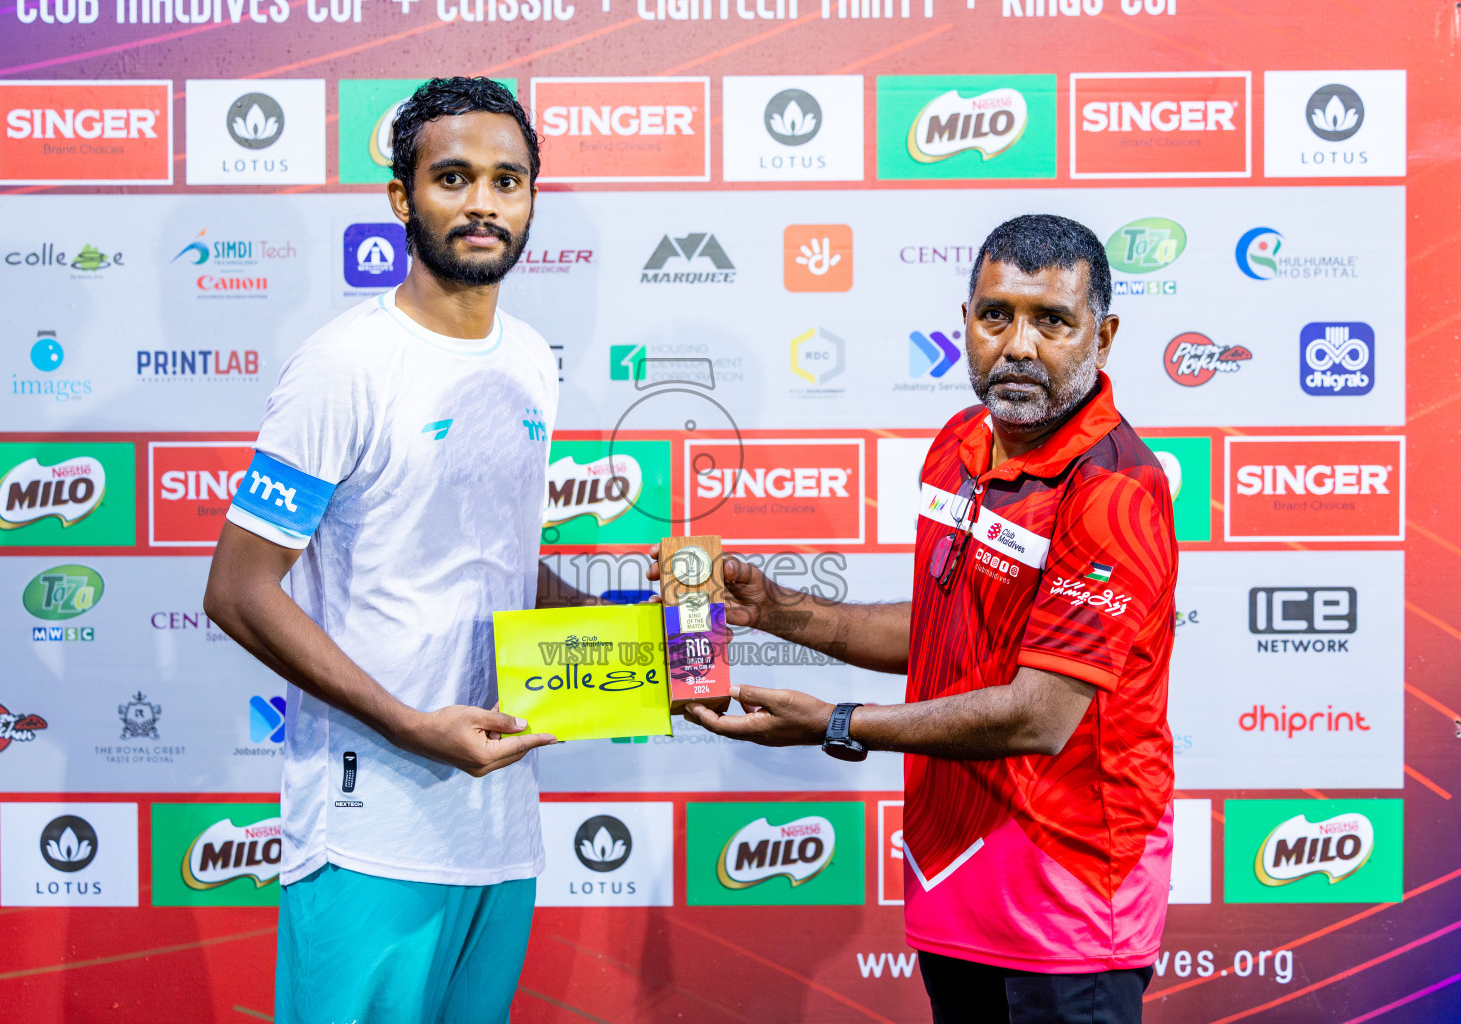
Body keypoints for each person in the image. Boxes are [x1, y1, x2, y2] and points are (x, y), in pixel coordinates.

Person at [662, 214, 1178, 1024]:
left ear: (1102, 337)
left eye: (1052, 321)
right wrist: (776, 610)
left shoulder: (1114, 490)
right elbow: (949, 630)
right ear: (965, 321)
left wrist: (834, 721)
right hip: (955, 877)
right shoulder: (959, 443)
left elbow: (1042, 715)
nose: (1017, 346)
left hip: (1070, 900)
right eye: (995, 314)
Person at [204, 76, 590, 1024]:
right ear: (400, 198)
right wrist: (409, 725)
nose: (482, 204)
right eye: (453, 177)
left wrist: (636, 633)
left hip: (497, 817)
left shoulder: (534, 359)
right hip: (369, 821)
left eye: (508, 181)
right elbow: (239, 589)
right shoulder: (345, 365)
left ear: (533, 197)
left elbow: (487, 557)